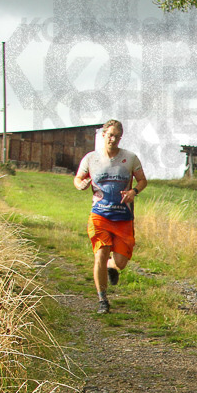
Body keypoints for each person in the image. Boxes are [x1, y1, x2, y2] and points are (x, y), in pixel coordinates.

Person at [74, 120, 147, 314]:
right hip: (100, 215)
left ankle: (111, 266)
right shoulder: (91, 158)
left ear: (120, 137)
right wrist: (80, 184)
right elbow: (78, 178)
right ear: (103, 135)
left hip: (123, 216)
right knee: (101, 252)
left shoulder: (130, 158)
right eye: (109, 135)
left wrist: (134, 192)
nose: (113, 139)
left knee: (121, 261)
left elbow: (142, 181)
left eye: (116, 136)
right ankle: (102, 300)